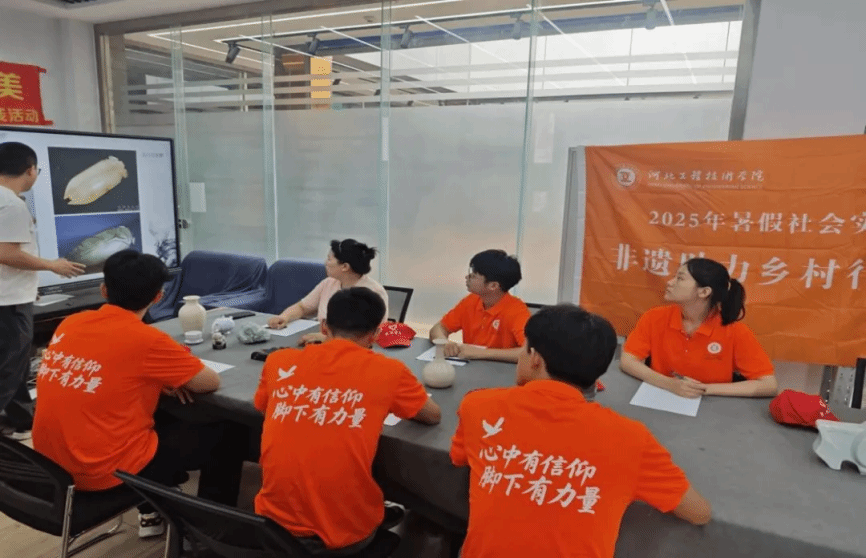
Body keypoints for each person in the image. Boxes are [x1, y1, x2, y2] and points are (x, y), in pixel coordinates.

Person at [450, 304, 711, 557]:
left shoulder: (477, 405)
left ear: (535, 359)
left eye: (524, 349)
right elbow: (698, 512)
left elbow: (459, 457)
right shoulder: (631, 438)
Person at [32, 250, 247, 538]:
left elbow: (113, 373)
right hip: (103, 472)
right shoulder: (148, 339)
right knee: (229, 432)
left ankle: (151, 511)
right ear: (158, 297)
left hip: (51, 469)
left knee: (159, 411)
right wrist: (168, 379)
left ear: (104, 289)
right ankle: (209, 534)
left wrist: (156, 380)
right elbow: (209, 382)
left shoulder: (71, 323)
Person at [254, 287, 441, 556]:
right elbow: (432, 415)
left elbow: (264, 409)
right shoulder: (389, 371)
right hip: (343, 537)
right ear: (376, 334)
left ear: (324, 327)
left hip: (270, 527)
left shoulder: (278, 361)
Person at [0, 142, 85, 440]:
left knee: (15, 363)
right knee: (10, 368)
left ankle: (21, 421)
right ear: (30, 170)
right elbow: (6, 253)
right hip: (9, 302)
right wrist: (52, 265)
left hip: (12, 294)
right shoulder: (11, 204)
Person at [620, 257, 778, 398]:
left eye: (680, 278)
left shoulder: (736, 331)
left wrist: (703, 389)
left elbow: (768, 385)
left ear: (704, 292)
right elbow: (628, 361)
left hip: (714, 410)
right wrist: (669, 384)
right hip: (660, 397)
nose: (670, 282)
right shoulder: (654, 317)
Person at [267, 238, 388, 346]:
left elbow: (374, 333)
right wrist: (284, 317)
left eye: (329, 259)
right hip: (321, 345)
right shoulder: (329, 283)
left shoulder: (374, 292)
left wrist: (327, 338)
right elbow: (302, 307)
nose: (326, 263)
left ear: (345, 267)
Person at [429, 249, 530, 362]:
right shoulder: (471, 301)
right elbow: (438, 328)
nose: (467, 277)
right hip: (470, 367)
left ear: (493, 286)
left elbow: (531, 352)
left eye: (474, 276)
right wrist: (444, 343)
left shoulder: (517, 311)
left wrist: (481, 353)